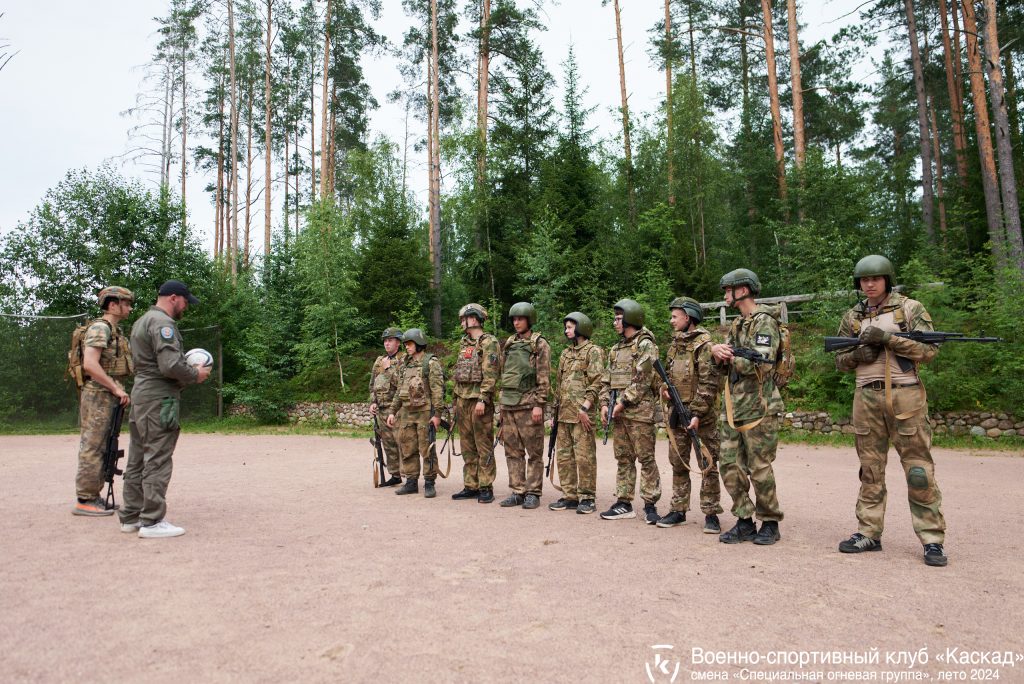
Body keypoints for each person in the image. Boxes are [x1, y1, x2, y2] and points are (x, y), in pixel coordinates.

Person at [833, 255, 948, 567]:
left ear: (887, 279)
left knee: (918, 469)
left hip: (905, 395)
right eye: (864, 280)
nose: (869, 284)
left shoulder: (910, 309)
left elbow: (929, 351)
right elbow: (840, 361)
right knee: (870, 469)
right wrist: (858, 353)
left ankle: (932, 539)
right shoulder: (852, 316)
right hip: (866, 398)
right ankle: (868, 532)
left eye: (875, 279)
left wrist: (888, 339)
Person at [118, 280, 211, 538]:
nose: (186, 307)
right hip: (159, 398)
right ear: (173, 298)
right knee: (158, 457)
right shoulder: (163, 324)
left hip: (141, 396)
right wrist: (195, 374)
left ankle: (131, 517)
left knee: (137, 457)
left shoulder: (141, 321)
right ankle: (152, 521)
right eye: (185, 301)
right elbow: (170, 365)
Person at [710, 269, 785, 545]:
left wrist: (729, 357)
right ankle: (744, 520)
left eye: (729, 290)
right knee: (729, 464)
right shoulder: (737, 324)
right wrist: (717, 354)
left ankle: (770, 521)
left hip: (759, 405)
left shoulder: (764, 322)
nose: (725, 295)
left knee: (759, 466)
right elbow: (725, 361)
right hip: (734, 405)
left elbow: (762, 362)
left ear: (743, 290)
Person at [656, 297, 724, 534]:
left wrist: (695, 413)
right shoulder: (675, 346)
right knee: (678, 462)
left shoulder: (704, 345)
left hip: (701, 417)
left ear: (688, 317)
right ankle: (678, 510)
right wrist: (664, 390)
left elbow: (709, 383)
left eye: (675, 316)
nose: (671, 320)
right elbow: (665, 377)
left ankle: (711, 513)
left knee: (707, 463)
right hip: (678, 413)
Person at [72, 286, 135, 517]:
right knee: (93, 445)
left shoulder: (114, 330)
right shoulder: (100, 328)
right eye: (125, 303)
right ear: (112, 305)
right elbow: (90, 364)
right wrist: (115, 388)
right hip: (99, 392)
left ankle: (93, 496)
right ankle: (85, 499)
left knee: (105, 444)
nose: (129, 307)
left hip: (107, 393)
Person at [599, 299, 662, 524]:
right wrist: (605, 403)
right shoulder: (616, 349)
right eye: (615, 318)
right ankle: (623, 503)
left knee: (646, 458)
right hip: (619, 413)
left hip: (640, 412)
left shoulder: (645, 344)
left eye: (618, 318)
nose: (615, 322)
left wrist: (623, 402)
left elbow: (643, 379)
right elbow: (606, 379)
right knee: (623, 458)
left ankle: (650, 505)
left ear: (630, 319)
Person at [549, 312, 604, 515]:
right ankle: (570, 495)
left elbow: (597, 381)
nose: (566, 330)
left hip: (582, 415)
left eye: (570, 327)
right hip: (563, 414)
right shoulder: (565, 353)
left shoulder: (593, 351)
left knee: (585, 457)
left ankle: (587, 497)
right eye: (566, 327)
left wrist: (585, 407)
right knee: (564, 457)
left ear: (581, 327)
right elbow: (559, 383)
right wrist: (554, 413)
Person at [497, 302, 551, 510]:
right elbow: (504, 375)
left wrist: (539, 404)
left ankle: (533, 492)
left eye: (520, 318)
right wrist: (501, 408)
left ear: (529, 320)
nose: (516, 322)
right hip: (509, 405)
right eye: (514, 319)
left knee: (534, 452)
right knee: (512, 451)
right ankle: (518, 491)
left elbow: (544, 376)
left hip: (529, 405)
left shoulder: (539, 344)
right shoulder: (509, 343)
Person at [450, 303, 501, 504]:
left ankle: (486, 485)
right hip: (463, 400)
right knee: (467, 445)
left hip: (479, 402)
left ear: (475, 319)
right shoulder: (464, 344)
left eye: (465, 318)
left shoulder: (489, 343)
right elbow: (459, 375)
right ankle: (471, 484)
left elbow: (491, 374)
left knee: (483, 444)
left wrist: (483, 398)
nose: (462, 322)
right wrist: (455, 401)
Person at [387, 328, 445, 499]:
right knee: (407, 448)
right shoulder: (405, 364)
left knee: (427, 449)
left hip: (424, 413)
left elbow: (437, 391)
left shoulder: (430, 363)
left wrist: (437, 415)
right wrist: (392, 411)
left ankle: (429, 482)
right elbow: (399, 390)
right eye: (405, 344)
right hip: (406, 413)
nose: (407, 347)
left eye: (410, 344)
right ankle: (411, 482)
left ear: (419, 344)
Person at [369, 327, 405, 488]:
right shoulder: (379, 361)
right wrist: (373, 402)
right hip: (382, 409)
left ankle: (410, 476)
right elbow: (372, 385)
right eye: (385, 340)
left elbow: (402, 385)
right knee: (388, 444)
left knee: (403, 443)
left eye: (390, 340)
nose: (387, 343)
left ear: (398, 342)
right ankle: (395, 474)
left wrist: (388, 368)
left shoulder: (404, 360)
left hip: (398, 409)